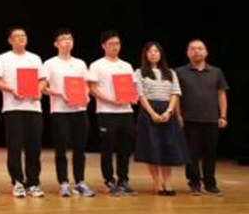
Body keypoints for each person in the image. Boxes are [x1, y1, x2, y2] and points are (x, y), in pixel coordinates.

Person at [0, 27, 47, 198]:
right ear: (10, 40)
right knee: (15, 147)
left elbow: (43, 80)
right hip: (12, 107)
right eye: (17, 36)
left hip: (33, 107)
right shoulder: (3, 58)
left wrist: (38, 90)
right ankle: (17, 182)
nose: (21, 38)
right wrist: (11, 90)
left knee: (34, 147)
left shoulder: (34, 58)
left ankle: (33, 183)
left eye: (23, 35)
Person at [41, 28, 96, 197]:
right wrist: (60, 93)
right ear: (56, 44)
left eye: (70, 39)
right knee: (61, 148)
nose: (67, 42)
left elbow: (85, 85)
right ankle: (63, 183)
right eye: (63, 39)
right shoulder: (49, 63)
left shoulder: (80, 63)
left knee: (80, 148)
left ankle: (80, 182)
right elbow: (43, 88)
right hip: (60, 111)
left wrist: (86, 94)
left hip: (79, 110)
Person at [88, 31, 139, 197]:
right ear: (103, 46)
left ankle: (123, 180)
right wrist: (110, 100)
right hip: (106, 112)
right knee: (107, 148)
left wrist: (133, 97)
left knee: (125, 149)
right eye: (111, 44)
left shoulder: (126, 65)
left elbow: (133, 87)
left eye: (117, 43)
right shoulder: (97, 65)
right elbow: (92, 89)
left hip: (126, 112)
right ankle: (109, 180)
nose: (115, 47)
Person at [176, 39, 230, 196]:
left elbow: (221, 94)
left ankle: (210, 184)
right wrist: (178, 115)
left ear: (206, 52)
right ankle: (194, 183)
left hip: (211, 119)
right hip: (189, 120)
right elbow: (176, 96)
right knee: (191, 154)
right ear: (188, 53)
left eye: (200, 48)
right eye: (192, 49)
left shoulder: (216, 72)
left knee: (210, 154)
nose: (196, 51)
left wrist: (223, 116)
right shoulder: (179, 72)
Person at [133, 42, 186, 195]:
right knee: (152, 147)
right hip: (148, 112)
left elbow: (175, 93)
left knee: (168, 148)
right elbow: (140, 95)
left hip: (167, 112)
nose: (153, 54)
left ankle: (167, 182)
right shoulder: (139, 72)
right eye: (150, 51)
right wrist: (152, 114)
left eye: (156, 51)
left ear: (161, 54)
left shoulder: (171, 72)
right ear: (145, 54)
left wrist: (169, 112)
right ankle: (157, 182)